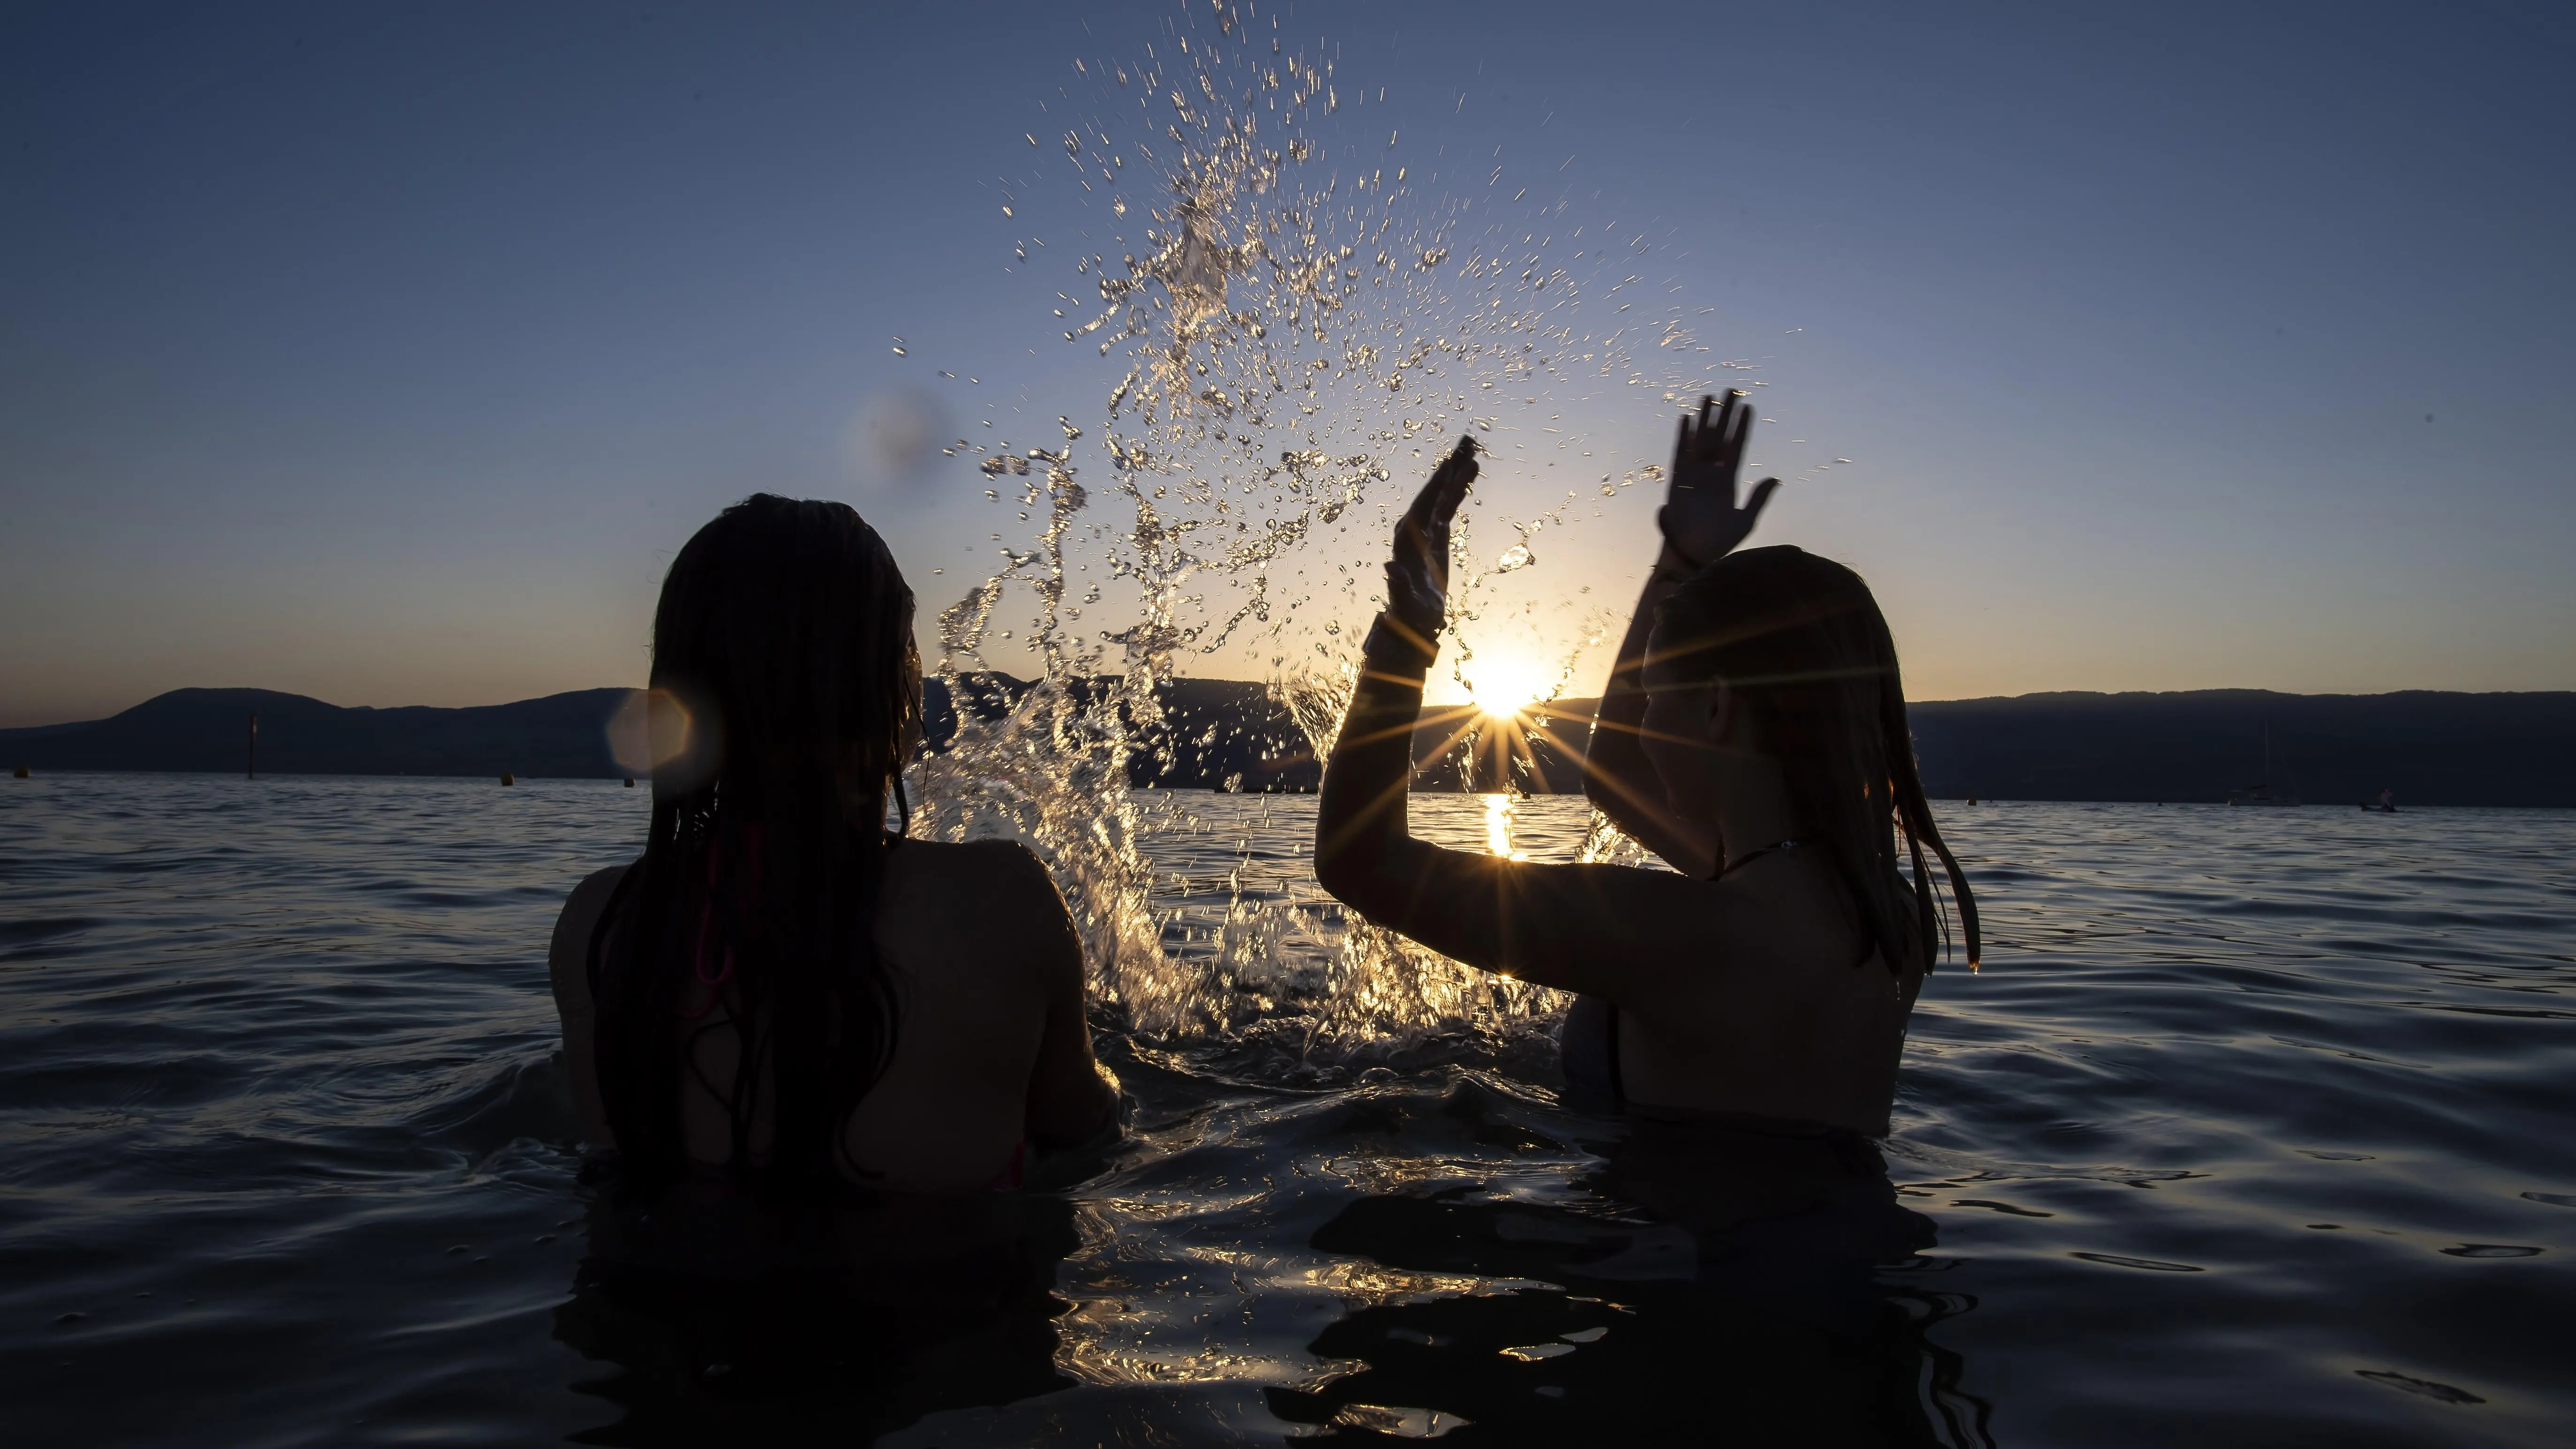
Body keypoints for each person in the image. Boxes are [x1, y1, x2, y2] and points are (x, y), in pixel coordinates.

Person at [1314, 396, 1976, 1137]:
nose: (1645, 727)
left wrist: (1410, 627)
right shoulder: (1892, 923)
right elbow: (1615, 774)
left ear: (1719, 709)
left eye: (1658, 698)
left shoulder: (1681, 936)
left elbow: (1359, 860)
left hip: (1672, 1244)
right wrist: (1684, 563)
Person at [548, 494, 1120, 1197]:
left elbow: (605, 1159)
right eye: (906, 645)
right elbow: (1083, 1125)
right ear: (874, 686)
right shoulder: (1002, 900)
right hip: (957, 1297)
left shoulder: (600, 927)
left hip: (653, 1297)